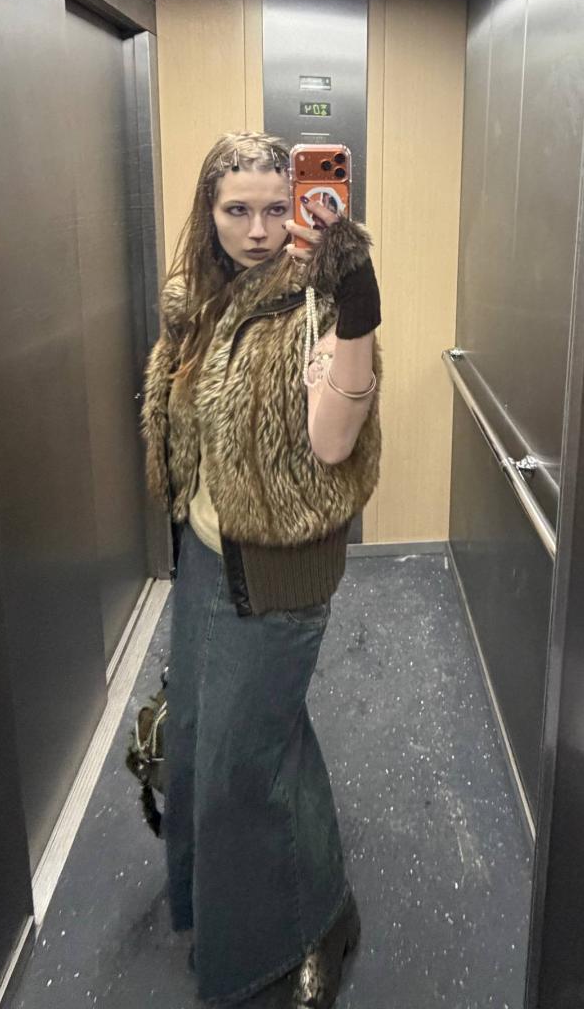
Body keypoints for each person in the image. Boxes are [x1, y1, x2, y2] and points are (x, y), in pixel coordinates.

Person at [141, 130, 382, 1007]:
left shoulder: (316, 299)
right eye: (236, 209)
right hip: (203, 563)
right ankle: (232, 906)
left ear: (301, 207)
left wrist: (357, 308)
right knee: (219, 745)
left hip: (278, 575)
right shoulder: (199, 303)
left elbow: (333, 441)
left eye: (277, 208)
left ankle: (304, 931)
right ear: (208, 213)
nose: (257, 229)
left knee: (244, 767)